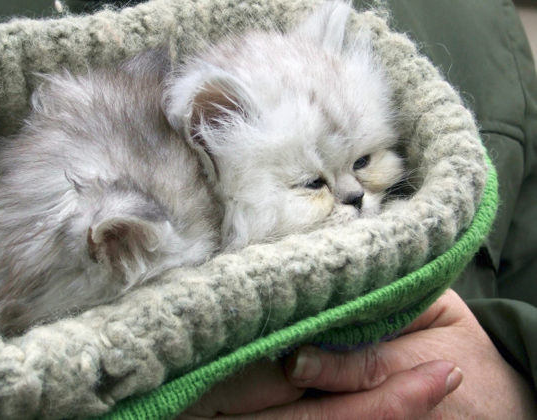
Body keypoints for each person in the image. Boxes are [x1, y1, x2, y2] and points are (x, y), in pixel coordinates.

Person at [178, 0, 537, 418]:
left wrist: (516, 384)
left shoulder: (483, 18)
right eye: (314, 184)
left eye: (364, 162)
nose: (352, 195)